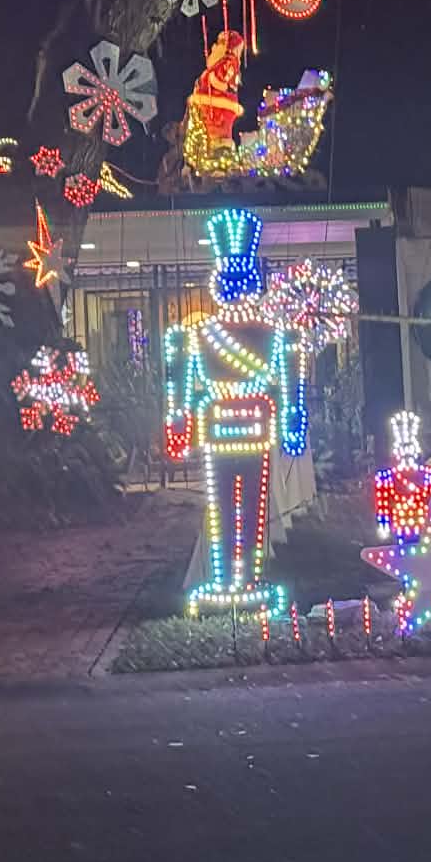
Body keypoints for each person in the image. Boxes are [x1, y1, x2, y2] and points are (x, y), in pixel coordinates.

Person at [164, 207, 307, 616]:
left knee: (233, 509)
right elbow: (289, 389)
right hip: (244, 429)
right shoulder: (264, 335)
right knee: (237, 509)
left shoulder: (202, 336)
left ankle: (238, 580)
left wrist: (180, 426)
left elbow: (184, 393)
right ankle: (236, 580)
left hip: (233, 429)